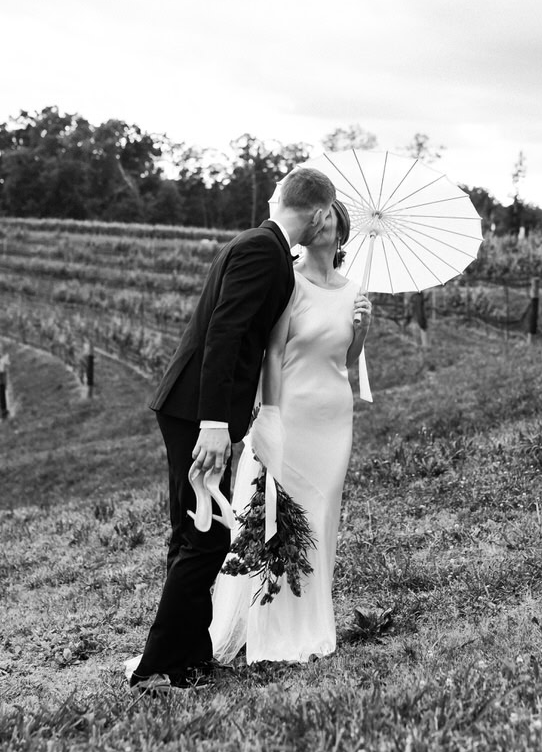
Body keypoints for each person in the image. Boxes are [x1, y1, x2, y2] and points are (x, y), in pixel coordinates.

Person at [127, 167, 336, 694]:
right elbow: (225, 333)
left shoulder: (262, 247)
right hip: (200, 412)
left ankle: (191, 659)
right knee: (204, 536)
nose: (329, 225)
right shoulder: (262, 251)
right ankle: (159, 667)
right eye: (328, 216)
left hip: (193, 408)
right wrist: (216, 424)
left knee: (198, 532)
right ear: (315, 214)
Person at [209, 199, 372, 664]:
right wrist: (272, 414)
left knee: (320, 515)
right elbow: (273, 354)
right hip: (293, 411)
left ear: (340, 232)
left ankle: (312, 621)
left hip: (334, 417)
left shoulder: (353, 289)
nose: (322, 223)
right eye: (318, 217)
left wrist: (362, 329)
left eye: (332, 219)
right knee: (278, 514)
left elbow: (344, 361)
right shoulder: (290, 281)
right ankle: (269, 624)